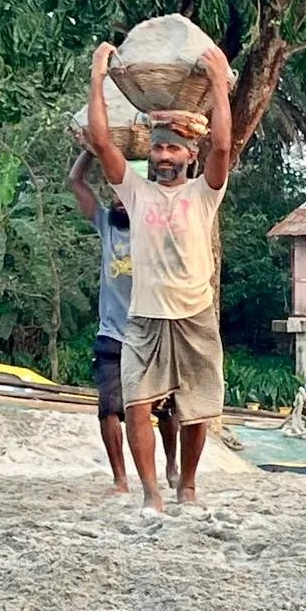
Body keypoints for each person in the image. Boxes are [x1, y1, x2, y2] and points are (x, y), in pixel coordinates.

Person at [85, 41, 233, 512]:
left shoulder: (204, 193)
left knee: (198, 408)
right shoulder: (136, 192)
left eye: (173, 147)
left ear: (190, 155)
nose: (163, 154)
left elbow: (224, 145)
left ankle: (186, 485)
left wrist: (217, 84)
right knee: (136, 405)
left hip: (195, 313)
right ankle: (151, 492)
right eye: (158, 147)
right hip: (144, 316)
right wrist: (97, 76)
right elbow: (103, 143)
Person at [68, 149, 180, 496]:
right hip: (112, 334)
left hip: (155, 331)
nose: (118, 201)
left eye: (125, 195)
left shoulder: (159, 228)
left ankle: (172, 465)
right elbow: (75, 182)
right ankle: (120, 479)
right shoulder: (105, 225)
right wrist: (90, 149)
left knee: (167, 409)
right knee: (108, 409)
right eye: (114, 194)